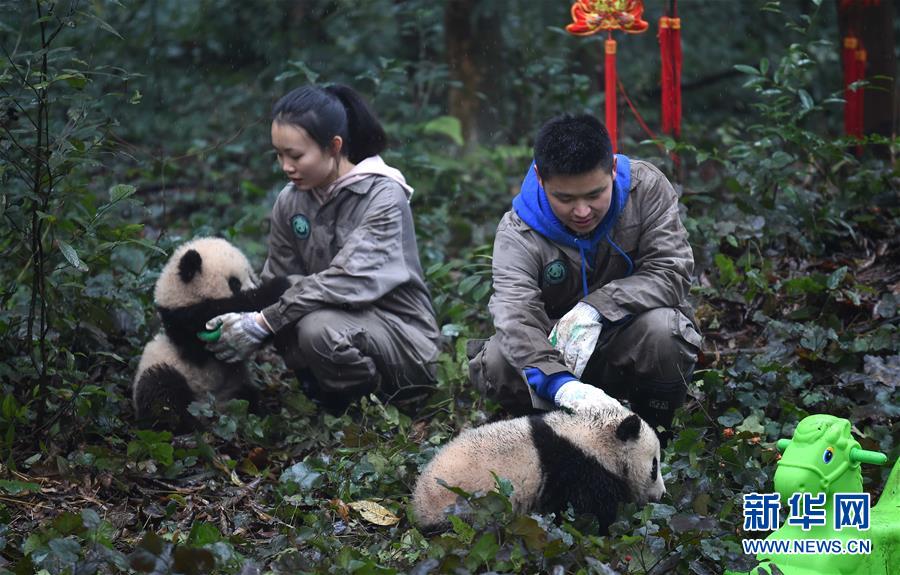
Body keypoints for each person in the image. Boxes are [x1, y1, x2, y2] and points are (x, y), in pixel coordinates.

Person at [206, 84, 440, 409]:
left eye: (296, 155)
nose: (285, 166)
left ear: (334, 146)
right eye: (279, 154)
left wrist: (264, 322)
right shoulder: (291, 202)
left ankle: (370, 406)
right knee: (285, 301)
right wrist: (236, 321)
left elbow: (347, 279)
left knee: (315, 328)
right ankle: (325, 390)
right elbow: (278, 280)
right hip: (336, 326)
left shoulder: (384, 196)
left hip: (404, 343)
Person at [469, 113, 701, 438]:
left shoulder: (645, 189)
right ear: (540, 178)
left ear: (614, 170)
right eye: (564, 198)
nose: (582, 211)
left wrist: (597, 308)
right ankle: (550, 433)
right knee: (496, 360)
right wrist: (560, 384)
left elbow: (670, 272)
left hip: (627, 338)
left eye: (594, 195)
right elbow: (515, 317)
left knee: (666, 331)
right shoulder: (517, 232)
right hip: (556, 348)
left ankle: (655, 431)